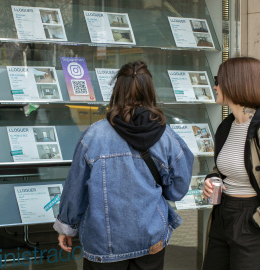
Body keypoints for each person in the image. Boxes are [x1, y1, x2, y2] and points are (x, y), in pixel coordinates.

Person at [53, 60, 194, 270]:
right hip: (150, 239)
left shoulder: (94, 136)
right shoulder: (167, 137)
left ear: (117, 90)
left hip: (104, 245)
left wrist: (67, 226)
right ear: (150, 90)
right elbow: (177, 190)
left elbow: (76, 189)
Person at [202, 57, 260, 270]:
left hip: (251, 218)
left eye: (219, 80)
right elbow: (223, 168)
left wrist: (256, 220)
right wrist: (212, 179)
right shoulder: (226, 127)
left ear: (236, 83)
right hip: (223, 213)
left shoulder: (258, 129)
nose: (215, 86)